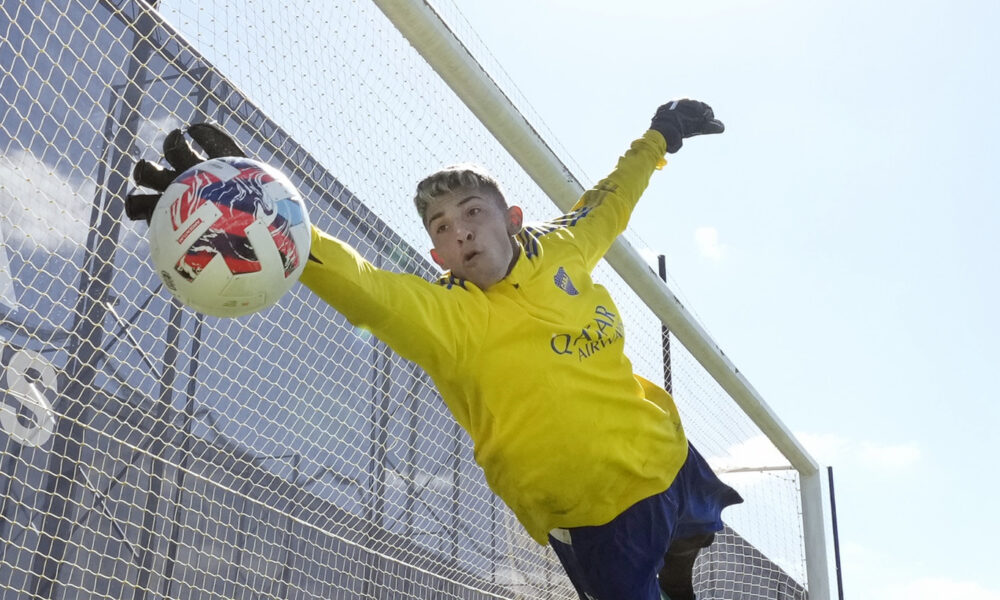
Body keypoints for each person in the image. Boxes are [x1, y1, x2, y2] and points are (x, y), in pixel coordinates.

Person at [127, 99, 743, 600]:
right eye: (442, 227)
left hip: (663, 450)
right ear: (436, 254)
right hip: (594, 516)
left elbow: (611, 198)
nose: (461, 231)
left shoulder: (564, 246)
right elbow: (363, 286)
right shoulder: (446, 317)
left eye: (472, 212)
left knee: (695, 526)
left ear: (513, 219)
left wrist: (659, 136)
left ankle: (680, 563)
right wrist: (267, 215)